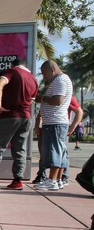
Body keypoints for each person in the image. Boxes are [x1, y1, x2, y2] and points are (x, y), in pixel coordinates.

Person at [0, 59, 37, 190]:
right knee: (19, 149)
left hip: (10, 115)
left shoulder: (12, 72)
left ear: (13, 65)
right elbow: (31, 100)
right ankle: (17, 180)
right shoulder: (33, 79)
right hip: (26, 117)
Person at [34, 59, 73, 191]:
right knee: (59, 151)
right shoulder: (61, 80)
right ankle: (57, 180)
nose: (44, 77)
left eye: (45, 74)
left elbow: (57, 101)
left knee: (54, 151)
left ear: (52, 70)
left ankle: (52, 181)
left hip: (55, 122)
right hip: (56, 122)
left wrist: (42, 98)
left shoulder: (60, 81)